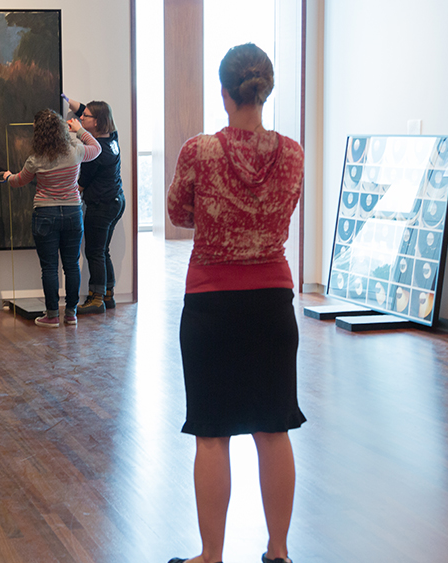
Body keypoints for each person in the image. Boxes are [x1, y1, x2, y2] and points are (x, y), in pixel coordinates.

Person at [165, 43, 305, 563]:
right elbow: (282, 210)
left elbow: (179, 212)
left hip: (211, 305)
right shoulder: (292, 153)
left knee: (212, 432)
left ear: (224, 93)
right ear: (264, 91)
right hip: (272, 303)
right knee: (273, 429)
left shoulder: (199, 151)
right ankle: (279, 552)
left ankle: (211, 556)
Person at [0, 109, 101, 327]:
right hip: (73, 213)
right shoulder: (76, 152)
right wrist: (80, 130)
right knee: (72, 265)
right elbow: (98, 148)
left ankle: (52, 315)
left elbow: (18, 181)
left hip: (45, 214)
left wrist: (7, 177)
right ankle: (71, 314)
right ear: (62, 130)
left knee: (49, 268)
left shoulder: (36, 159)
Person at [64, 96, 124, 313]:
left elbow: (81, 183)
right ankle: (108, 294)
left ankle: (96, 299)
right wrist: (69, 101)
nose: (80, 117)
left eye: (85, 117)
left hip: (101, 206)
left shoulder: (97, 152)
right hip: (115, 201)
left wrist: (66, 195)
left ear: (96, 122)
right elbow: (84, 111)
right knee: (103, 250)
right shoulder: (112, 138)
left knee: (95, 252)